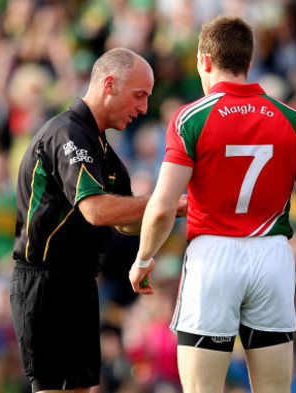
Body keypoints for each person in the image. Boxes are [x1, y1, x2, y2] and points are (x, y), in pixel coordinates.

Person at [128, 16, 296, 393]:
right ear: (249, 60)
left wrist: (144, 258)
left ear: (205, 60)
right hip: (273, 256)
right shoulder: (291, 120)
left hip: (213, 256)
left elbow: (161, 207)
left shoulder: (190, 117)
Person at [10, 47, 184, 392]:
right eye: (139, 95)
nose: (144, 108)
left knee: (81, 388)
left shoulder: (102, 148)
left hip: (80, 282)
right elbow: (97, 211)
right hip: (46, 283)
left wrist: (164, 216)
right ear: (109, 84)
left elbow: (126, 220)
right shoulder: (68, 134)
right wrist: (164, 202)